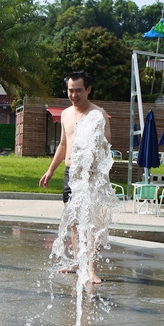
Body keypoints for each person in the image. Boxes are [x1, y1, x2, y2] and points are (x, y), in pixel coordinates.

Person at [39, 71, 112, 283]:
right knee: (73, 220)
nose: (74, 94)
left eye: (78, 90)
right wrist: (50, 170)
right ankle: (77, 262)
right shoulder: (65, 114)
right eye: (71, 90)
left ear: (88, 90)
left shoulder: (98, 114)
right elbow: (63, 144)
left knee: (89, 222)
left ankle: (91, 268)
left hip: (89, 173)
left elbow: (108, 143)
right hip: (71, 173)